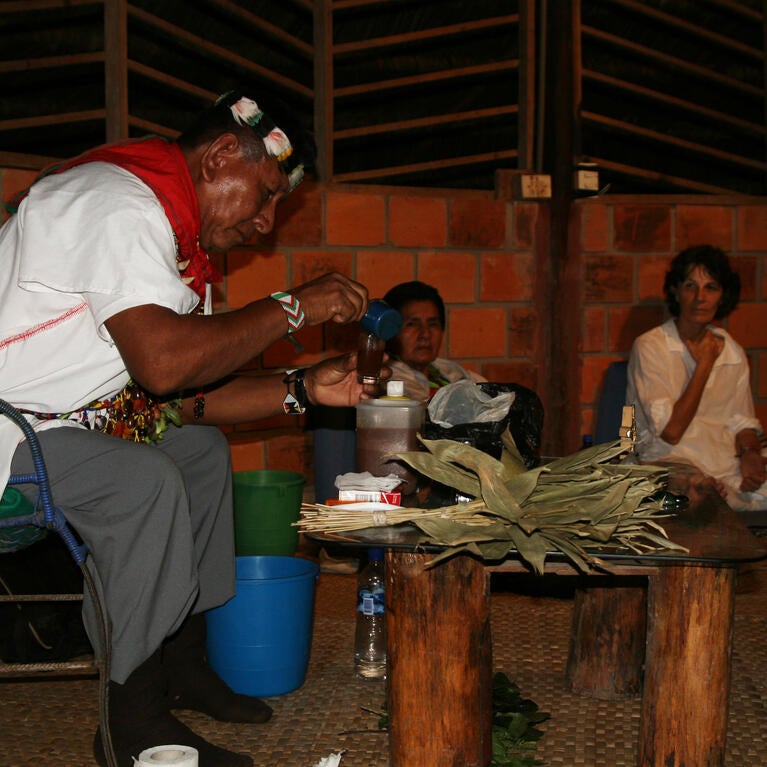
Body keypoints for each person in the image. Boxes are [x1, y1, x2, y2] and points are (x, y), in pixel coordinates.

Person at [0, 87, 382, 766]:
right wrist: (293, 306)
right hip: (11, 434)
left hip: (71, 429)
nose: (266, 223)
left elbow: (184, 402)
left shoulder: (180, 250)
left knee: (198, 452)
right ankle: (133, 720)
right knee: (142, 480)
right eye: (264, 195)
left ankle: (183, 662)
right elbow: (167, 363)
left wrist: (301, 391)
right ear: (214, 161)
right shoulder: (114, 203)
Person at [626, 245, 767, 512]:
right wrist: (704, 365)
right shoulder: (650, 346)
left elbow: (742, 422)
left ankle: (721, 498)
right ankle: (712, 499)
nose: (700, 298)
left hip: (724, 468)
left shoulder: (731, 349)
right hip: (669, 464)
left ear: (722, 296)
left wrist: (750, 454)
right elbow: (670, 431)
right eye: (691, 286)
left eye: (711, 288)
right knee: (688, 488)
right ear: (676, 292)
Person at [382, 280, 486, 401]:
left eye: (433, 324)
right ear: (389, 331)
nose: (425, 334)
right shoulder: (384, 382)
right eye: (412, 324)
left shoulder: (452, 372)